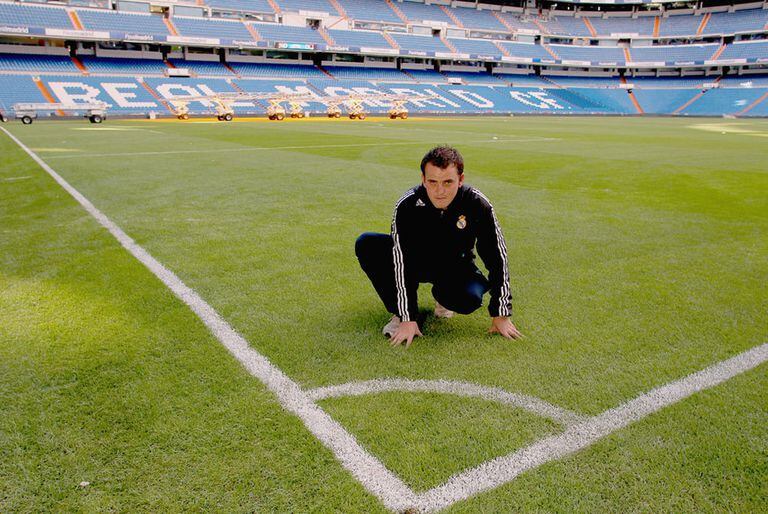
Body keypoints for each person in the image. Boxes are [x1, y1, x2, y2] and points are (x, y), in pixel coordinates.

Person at [355, 145, 523, 348]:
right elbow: (401, 262)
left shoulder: (477, 203)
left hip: (455, 266)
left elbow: (497, 256)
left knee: (468, 298)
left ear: (461, 180)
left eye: (448, 182)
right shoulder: (407, 205)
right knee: (367, 244)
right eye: (432, 182)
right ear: (423, 179)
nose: (439, 191)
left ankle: (444, 299)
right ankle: (400, 313)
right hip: (416, 262)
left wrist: (501, 313)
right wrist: (408, 317)